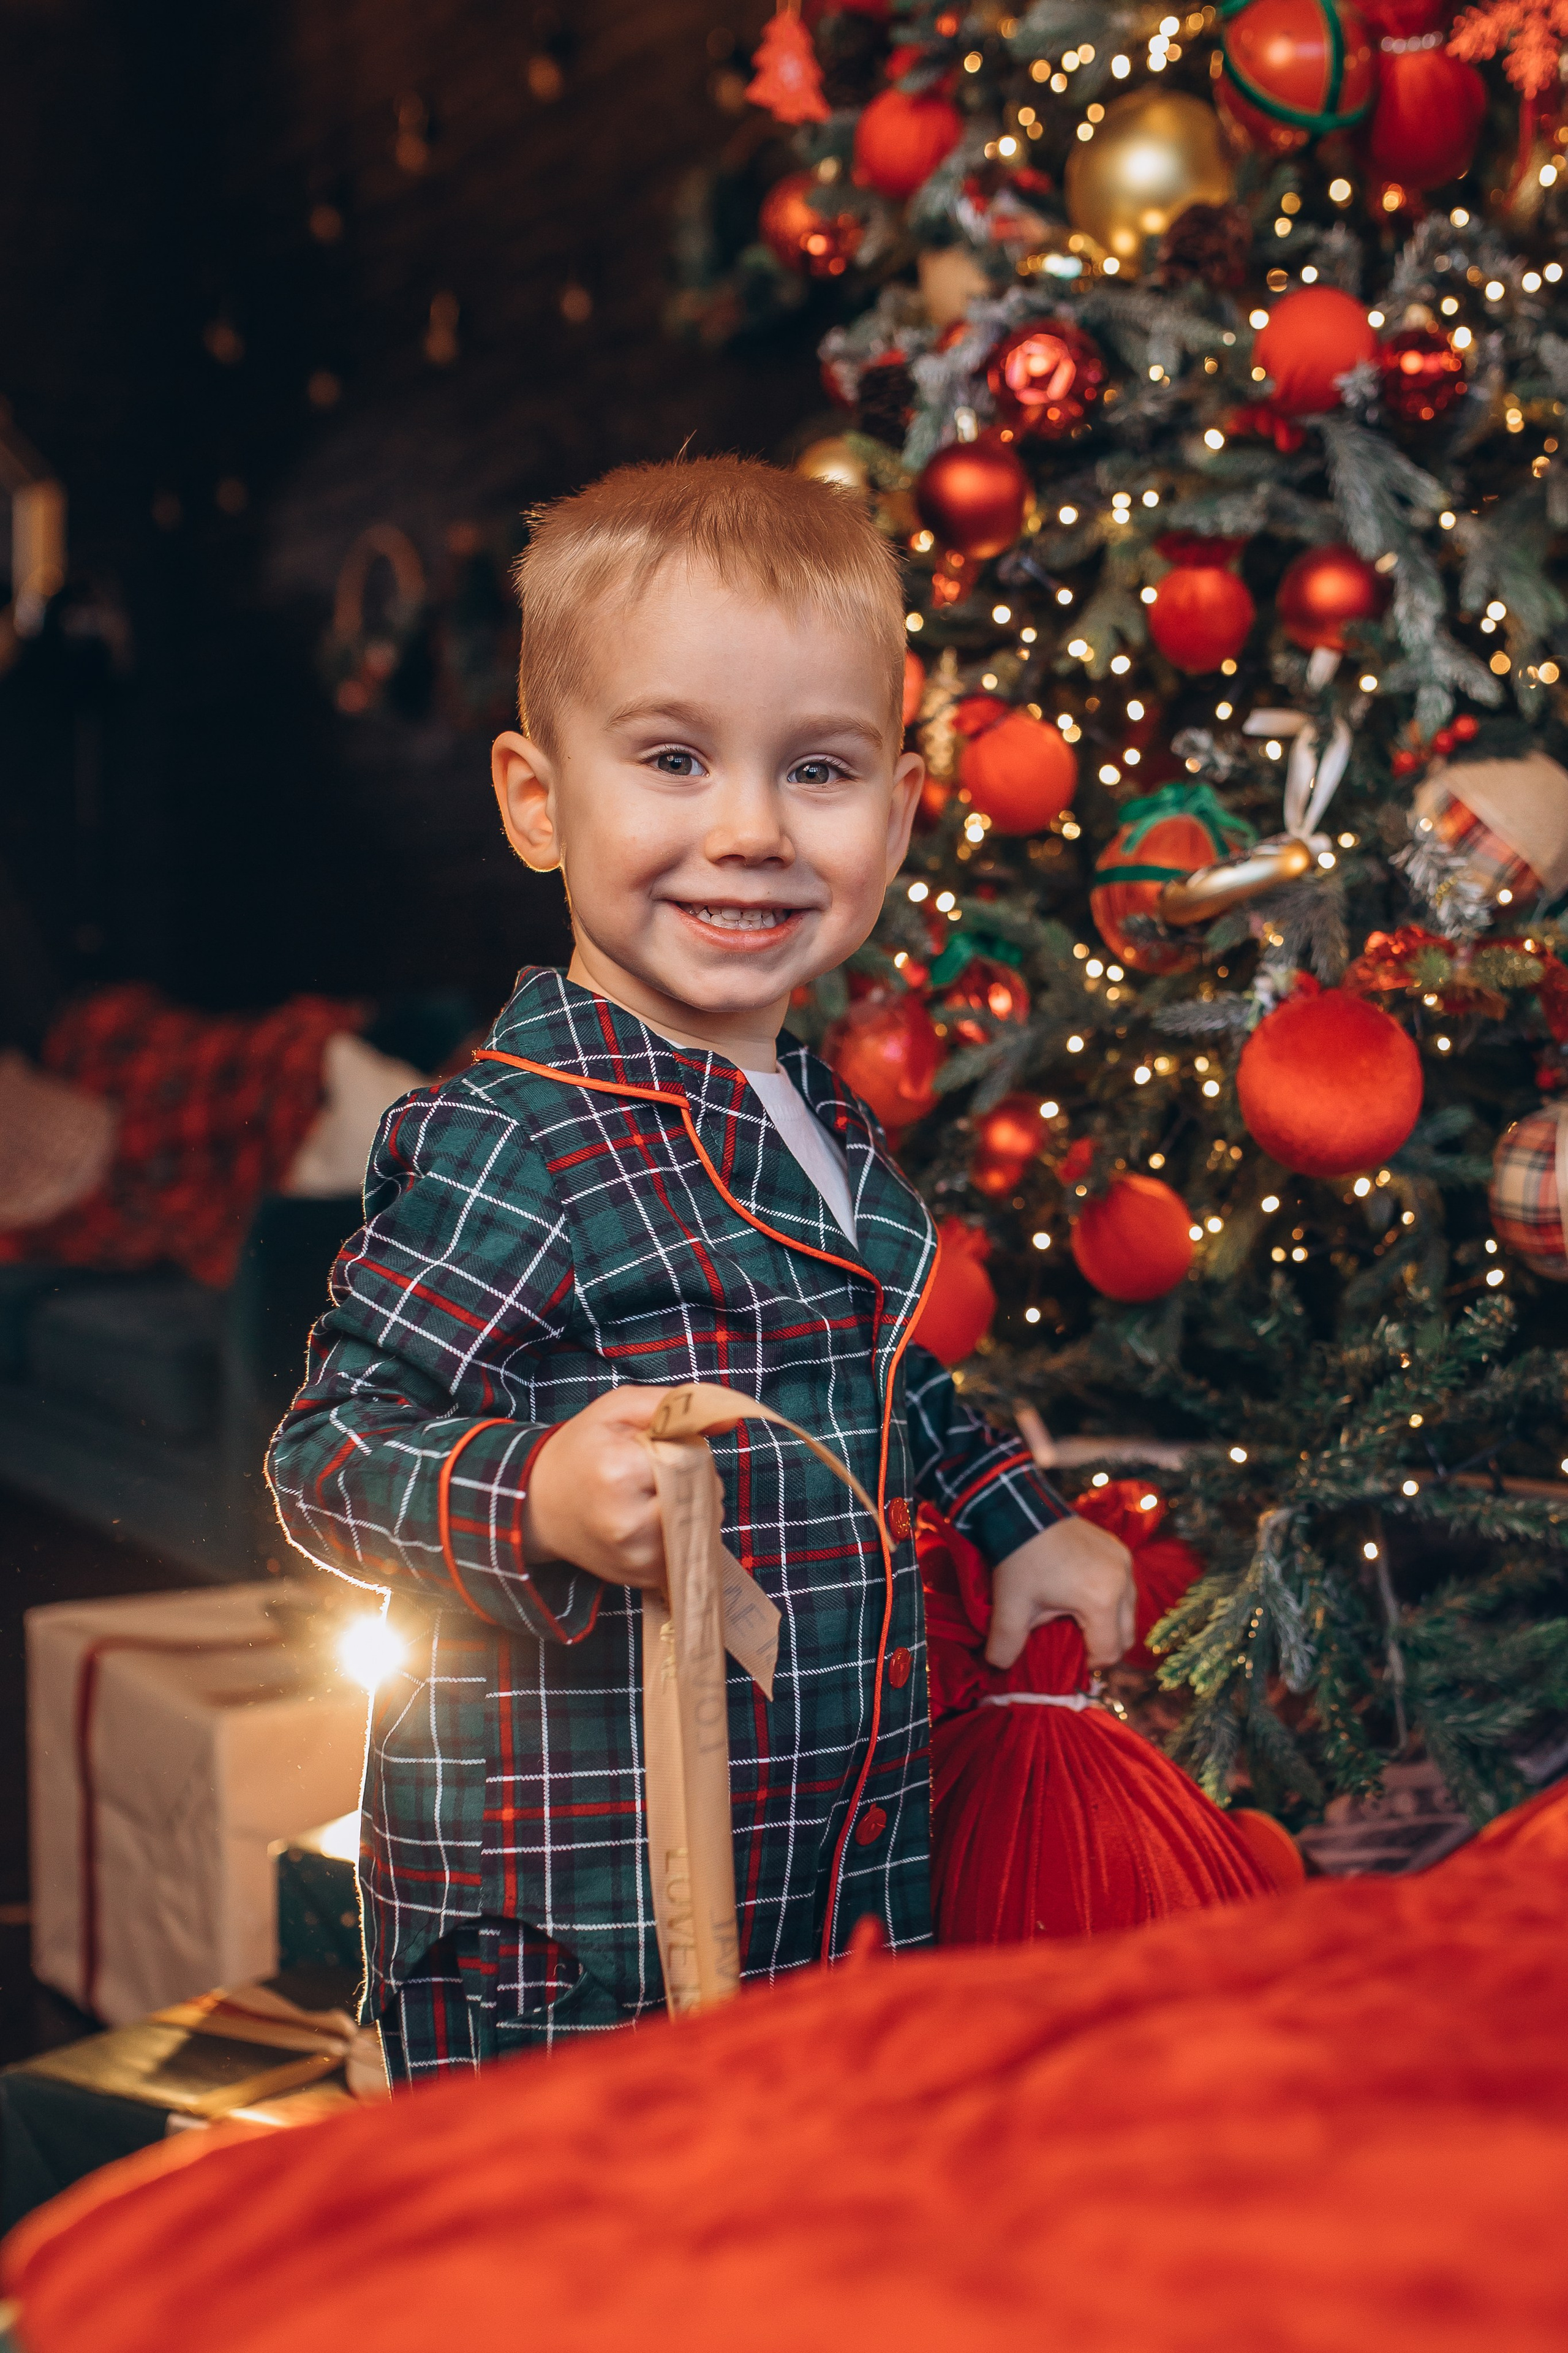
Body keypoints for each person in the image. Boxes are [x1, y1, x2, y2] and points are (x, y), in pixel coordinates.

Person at [266, 456, 1136, 2081]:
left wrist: (1025, 1520)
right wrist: (528, 1492)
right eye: (673, 758)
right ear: (538, 800)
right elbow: (331, 1452)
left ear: (899, 809)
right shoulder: (511, 1140)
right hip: (581, 1926)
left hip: (833, 1880)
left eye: (818, 768)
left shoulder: (821, 1113)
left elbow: (888, 1375)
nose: (748, 831)